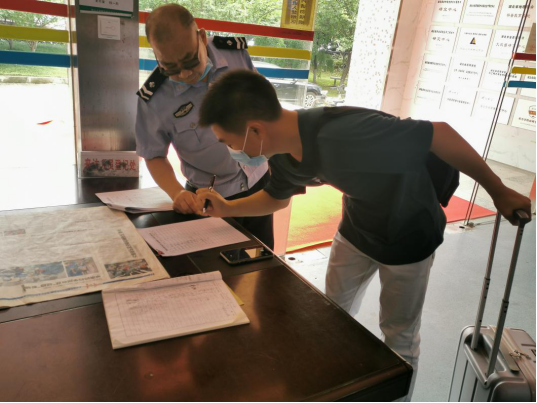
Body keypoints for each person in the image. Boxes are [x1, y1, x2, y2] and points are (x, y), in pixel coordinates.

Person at [194, 70, 532, 401]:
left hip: (409, 236)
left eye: (228, 142)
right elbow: (275, 198)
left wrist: (498, 191)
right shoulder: (281, 154)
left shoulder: (345, 133)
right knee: (331, 312)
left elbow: (439, 134)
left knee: (398, 333)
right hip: (357, 229)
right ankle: (333, 382)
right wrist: (226, 207)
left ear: (255, 129)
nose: (230, 150)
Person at [135, 4, 274, 249]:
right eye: (170, 67)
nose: (184, 74)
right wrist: (177, 193)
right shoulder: (153, 98)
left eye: (190, 61)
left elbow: (261, 99)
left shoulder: (234, 54)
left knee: (262, 259)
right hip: (208, 198)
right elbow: (153, 155)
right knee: (217, 265)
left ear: (201, 36)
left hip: (258, 181)